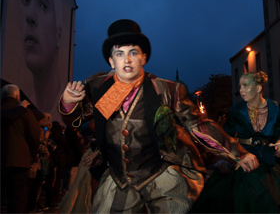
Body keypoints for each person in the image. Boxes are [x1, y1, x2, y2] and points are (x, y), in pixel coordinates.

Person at [58, 19, 256, 212]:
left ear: (143, 57)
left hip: (161, 173)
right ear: (111, 60)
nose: (127, 60)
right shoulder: (104, 89)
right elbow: (79, 119)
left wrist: (238, 154)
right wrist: (69, 102)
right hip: (120, 178)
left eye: (133, 53)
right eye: (119, 54)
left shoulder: (165, 89)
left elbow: (198, 125)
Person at [190, 71, 280, 213]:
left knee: (274, 201)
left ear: (258, 88)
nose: (241, 90)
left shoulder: (275, 107)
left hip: (267, 162)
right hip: (242, 160)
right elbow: (227, 137)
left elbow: (279, 132)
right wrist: (225, 160)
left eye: (246, 86)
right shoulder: (236, 110)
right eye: (240, 86)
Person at [1, 84, 42, 213]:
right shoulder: (26, 113)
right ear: (18, 96)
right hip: (19, 161)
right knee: (17, 198)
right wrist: (32, 155)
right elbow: (34, 136)